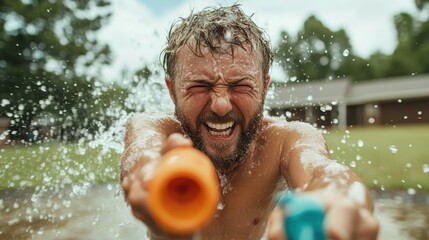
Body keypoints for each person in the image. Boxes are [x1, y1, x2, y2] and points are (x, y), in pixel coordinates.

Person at [120, 4, 379, 240]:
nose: (220, 105)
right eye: (200, 86)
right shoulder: (158, 131)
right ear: (172, 90)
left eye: (240, 86)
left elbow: (320, 169)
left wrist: (337, 196)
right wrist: (146, 174)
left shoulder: (283, 141)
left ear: (264, 87)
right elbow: (142, 151)